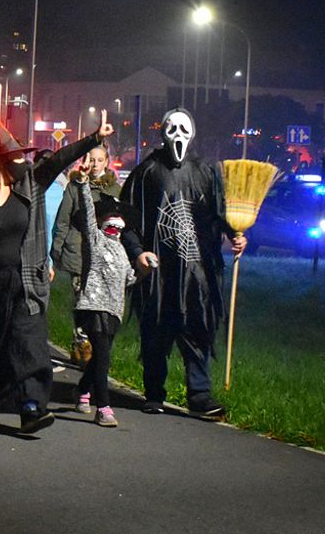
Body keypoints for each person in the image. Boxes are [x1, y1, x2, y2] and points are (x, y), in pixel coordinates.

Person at [0, 115, 114, 433]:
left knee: (28, 344)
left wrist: (93, 138)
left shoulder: (31, 186)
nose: (25, 162)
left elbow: (60, 158)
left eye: (25, 157)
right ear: (0, 162)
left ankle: (31, 407)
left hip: (23, 282)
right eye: (18, 157)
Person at [120, 107, 246, 418]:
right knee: (156, 330)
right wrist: (137, 252)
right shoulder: (145, 173)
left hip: (197, 273)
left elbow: (220, 211)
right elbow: (127, 219)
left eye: (183, 128)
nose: (177, 135)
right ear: (162, 132)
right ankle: (153, 392)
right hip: (159, 274)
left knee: (197, 328)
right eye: (171, 128)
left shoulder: (205, 172)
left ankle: (200, 394)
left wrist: (235, 234)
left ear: (192, 133)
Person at [71, 182, 137, 427]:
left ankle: (82, 389)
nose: (116, 220)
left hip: (113, 310)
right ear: (101, 219)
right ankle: (104, 407)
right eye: (111, 215)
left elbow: (129, 278)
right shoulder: (94, 239)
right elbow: (88, 215)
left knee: (100, 356)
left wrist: (145, 269)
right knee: (103, 356)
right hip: (93, 306)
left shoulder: (121, 250)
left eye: (119, 217)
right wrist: (83, 186)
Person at [51, 144, 122, 359]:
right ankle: (81, 343)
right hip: (79, 254)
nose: (95, 164)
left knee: (102, 305)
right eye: (91, 160)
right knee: (83, 300)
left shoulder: (114, 190)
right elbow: (63, 220)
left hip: (105, 256)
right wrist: (56, 250)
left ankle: (98, 346)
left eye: (99, 160)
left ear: (107, 162)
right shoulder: (74, 186)